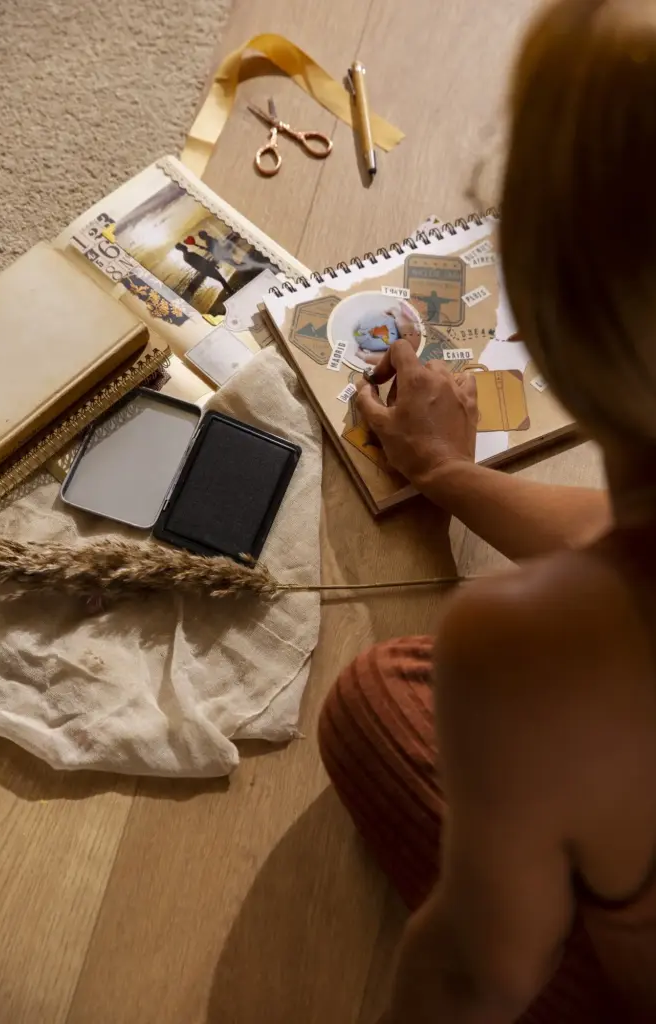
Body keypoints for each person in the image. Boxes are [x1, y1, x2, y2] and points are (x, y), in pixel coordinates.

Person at [318, 2, 656, 1021]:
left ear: (548, 323)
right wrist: (447, 474)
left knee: (372, 697)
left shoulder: (529, 648)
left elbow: (479, 972)